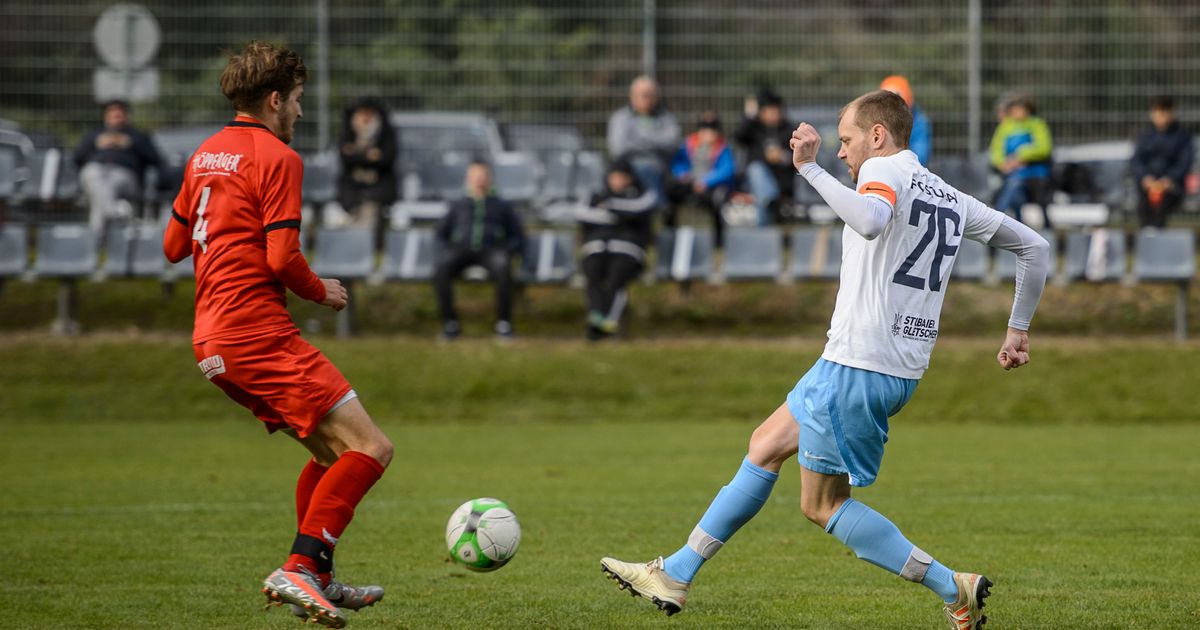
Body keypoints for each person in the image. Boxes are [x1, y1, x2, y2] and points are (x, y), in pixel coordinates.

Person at [600, 90, 1050, 630]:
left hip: (860, 366)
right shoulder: (950, 196)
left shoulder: (883, 173)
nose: (843, 152)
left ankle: (952, 586)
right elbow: (1035, 248)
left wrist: (808, 169)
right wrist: (1017, 328)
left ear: (878, 135)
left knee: (821, 506)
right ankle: (675, 572)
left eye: (848, 140)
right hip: (874, 364)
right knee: (764, 445)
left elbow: (869, 220)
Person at [163, 41, 392, 629]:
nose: (299, 112)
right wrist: (324, 291)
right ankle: (300, 566)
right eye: (296, 101)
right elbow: (284, 256)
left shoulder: (203, 155)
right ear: (273, 100)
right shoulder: (278, 157)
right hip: (255, 331)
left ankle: (317, 574)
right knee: (371, 448)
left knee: (328, 450)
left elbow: (172, 246)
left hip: (210, 341)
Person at [433, 160, 526, 340]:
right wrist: (445, 250)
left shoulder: (501, 205)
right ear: (468, 179)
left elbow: (517, 236)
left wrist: (508, 250)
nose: (479, 180)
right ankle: (450, 324)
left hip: (491, 250)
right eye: (475, 176)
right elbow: (440, 234)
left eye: (482, 176)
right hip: (462, 250)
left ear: (489, 179)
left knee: (504, 266)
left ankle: (503, 324)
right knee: (441, 269)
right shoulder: (458, 205)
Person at [576, 159, 657, 339]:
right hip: (598, 248)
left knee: (616, 277)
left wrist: (610, 207)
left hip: (628, 251)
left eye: (622, 177)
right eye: (615, 177)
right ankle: (597, 319)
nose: (618, 181)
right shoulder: (596, 195)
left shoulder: (640, 195)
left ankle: (607, 323)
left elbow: (639, 210)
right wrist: (617, 216)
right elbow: (581, 213)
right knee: (592, 273)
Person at [73, 99, 162, 235]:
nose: (116, 119)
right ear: (105, 117)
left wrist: (131, 143)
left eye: (119, 115)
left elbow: (156, 159)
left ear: (126, 117)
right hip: (96, 172)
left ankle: (96, 245)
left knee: (103, 191)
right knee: (93, 174)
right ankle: (114, 211)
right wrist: (95, 143)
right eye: (112, 115)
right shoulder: (95, 135)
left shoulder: (137, 136)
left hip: (125, 176)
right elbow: (77, 157)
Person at [665, 112, 736, 248]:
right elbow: (678, 164)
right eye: (705, 129)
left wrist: (706, 181)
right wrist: (683, 175)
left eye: (712, 130)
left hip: (711, 187)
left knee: (717, 202)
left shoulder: (723, 148)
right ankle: (670, 234)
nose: (708, 134)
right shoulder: (688, 144)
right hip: (691, 184)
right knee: (671, 195)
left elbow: (727, 170)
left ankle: (718, 241)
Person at [607, 76, 681, 199]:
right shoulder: (620, 118)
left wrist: (639, 140)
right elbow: (618, 148)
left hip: (660, 169)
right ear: (632, 96)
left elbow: (673, 143)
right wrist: (654, 143)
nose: (647, 99)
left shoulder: (667, 118)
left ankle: (654, 204)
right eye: (643, 95)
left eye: (651, 95)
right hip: (629, 168)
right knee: (617, 177)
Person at [336, 98, 397, 240]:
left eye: (369, 114)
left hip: (378, 189)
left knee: (370, 211)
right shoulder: (348, 131)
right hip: (351, 190)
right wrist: (368, 156)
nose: (365, 118)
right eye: (362, 113)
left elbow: (386, 158)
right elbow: (344, 157)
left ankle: (363, 244)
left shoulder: (386, 133)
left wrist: (356, 154)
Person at [989, 93, 1054, 227]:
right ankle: (1003, 222)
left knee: (1016, 187)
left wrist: (1020, 156)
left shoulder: (1037, 124)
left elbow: (1044, 148)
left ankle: (997, 223)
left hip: (1036, 173)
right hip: (1014, 173)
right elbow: (995, 151)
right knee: (1013, 191)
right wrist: (1003, 163)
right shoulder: (1005, 127)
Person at [1131, 95, 1194, 229]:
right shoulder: (1145, 136)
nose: (1162, 117)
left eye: (1165, 113)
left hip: (1171, 187)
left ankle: (1156, 237)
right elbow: (1137, 161)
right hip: (1147, 185)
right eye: (1158, 113)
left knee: (1162, 206)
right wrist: (1145, 178)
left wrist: (1169, 179)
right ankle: (1148, 236)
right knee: (1144, 206)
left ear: (1172, 113)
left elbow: (1184, 163)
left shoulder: (1182, 137)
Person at [734, 90, 795, 226]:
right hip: (753, 181)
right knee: (756, 170)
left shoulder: (789, 129)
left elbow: (798, 159)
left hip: (781, 181)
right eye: (767, 111)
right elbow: (738, 136)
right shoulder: (754, 128)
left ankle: (767, 206)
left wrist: (782, 157)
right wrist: (749, 115)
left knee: (762, 196)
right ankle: (769, 199)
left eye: (775, 111)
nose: (772, 115)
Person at [880, 75, 932, 166]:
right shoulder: (877, 118)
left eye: (895, 96)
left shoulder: (919, 121)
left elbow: (920, 157)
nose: (891, 102)